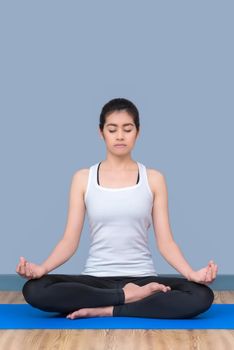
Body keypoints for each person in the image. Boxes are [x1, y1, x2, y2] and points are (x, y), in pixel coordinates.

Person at [16, 98, 218, 320]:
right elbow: (69, 241)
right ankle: (124, 297)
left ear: (137, 132)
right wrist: (41, 269)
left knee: (200, 295)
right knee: (35, 289)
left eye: (127, 129)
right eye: (112, 129)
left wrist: (192, 274)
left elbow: (166, 242)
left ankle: (107, 308)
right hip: (96, 280)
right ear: (101, 132)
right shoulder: (83, 178)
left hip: (143, 279)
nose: (120, 136)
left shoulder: (154, 179)